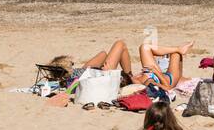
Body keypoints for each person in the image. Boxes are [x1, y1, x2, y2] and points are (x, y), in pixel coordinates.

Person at [55, 37, 193, 92]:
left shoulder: (134, 79)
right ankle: (177, 50)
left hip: (149, 72)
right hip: (168, 78)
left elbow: (103, 54)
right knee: (176, 55)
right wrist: (157, 72)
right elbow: (168, 87)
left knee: (144, 47)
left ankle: (177, 48)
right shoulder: (143, 84)